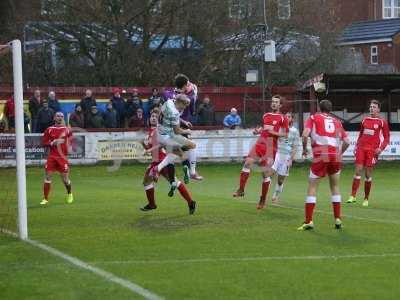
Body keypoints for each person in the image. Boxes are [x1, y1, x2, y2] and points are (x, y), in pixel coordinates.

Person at [298, 99, 350, 230]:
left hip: (321, 155)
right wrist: (340, 153)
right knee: (335, 186)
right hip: (334, 156)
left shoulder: (313, 117)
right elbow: (347, 141)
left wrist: (304, 149)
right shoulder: (337, 121)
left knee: (312, 187)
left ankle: (309, 221)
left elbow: (304, 135)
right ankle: (338, 219)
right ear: (330, 110)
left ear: (319, 108)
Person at [232, 95, 289, 211]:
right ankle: (241, 190)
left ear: (280, 105)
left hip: (270, 146)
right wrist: (258, 131)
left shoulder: (283, 118)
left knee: (265, 174)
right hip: (260, 143)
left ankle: (262, 199)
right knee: (247, 163)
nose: (273, 103)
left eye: (276, 102)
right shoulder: (266, 115)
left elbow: (285, 134)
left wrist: (273, 132)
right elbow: (265, 129)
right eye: (272, 102)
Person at [140, 111, 196, 214]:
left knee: (174, 182)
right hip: (156, 161)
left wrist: (148, 149)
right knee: (147, 181)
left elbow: (160, 146)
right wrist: (144, 146)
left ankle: (191, 202)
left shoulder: (158, 130)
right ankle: (152, 204)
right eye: (151, 116)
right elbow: (152, 148)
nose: (153, 118)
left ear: (159, 120)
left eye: (155, 117)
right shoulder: (151, 131)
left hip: (161, 160)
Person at [347, 99, 390, 207]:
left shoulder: (382, 122)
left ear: (378, 110)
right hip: (361, 148)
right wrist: (356, 146)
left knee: (367, 174)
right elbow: (361, 134)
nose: (371, 108)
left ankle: (366, 198)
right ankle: (353, 196)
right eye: (370, 106)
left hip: (372, 151)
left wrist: (381, 148)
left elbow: (387, 138)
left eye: (374, 107)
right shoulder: (364, 120)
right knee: (357, 171)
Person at [40, 112, 74, 205]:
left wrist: (70, 147)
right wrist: (52, 142)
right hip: (52, 157)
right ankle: (45, 199)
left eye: (62, 116)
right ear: (54, 118)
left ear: (63, 119)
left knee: (65, 180)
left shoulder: (67, 130)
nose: (60, 118)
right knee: (47, 177)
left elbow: (71, 141)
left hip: (62, 157)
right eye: (58, 116)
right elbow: (44, 143)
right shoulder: (49, 129)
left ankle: (69, 193)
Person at [271, 112, 300, 204]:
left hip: (286, 157)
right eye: (286, 117)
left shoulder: (295, 131)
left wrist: (291, 159)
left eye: (289, 117)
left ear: (292, 119)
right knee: (269, 174)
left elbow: (295, 147)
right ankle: (263, 195)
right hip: (277, 154)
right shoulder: (280, 128)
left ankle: (276, 195)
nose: (287, 118)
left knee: (280, 180)